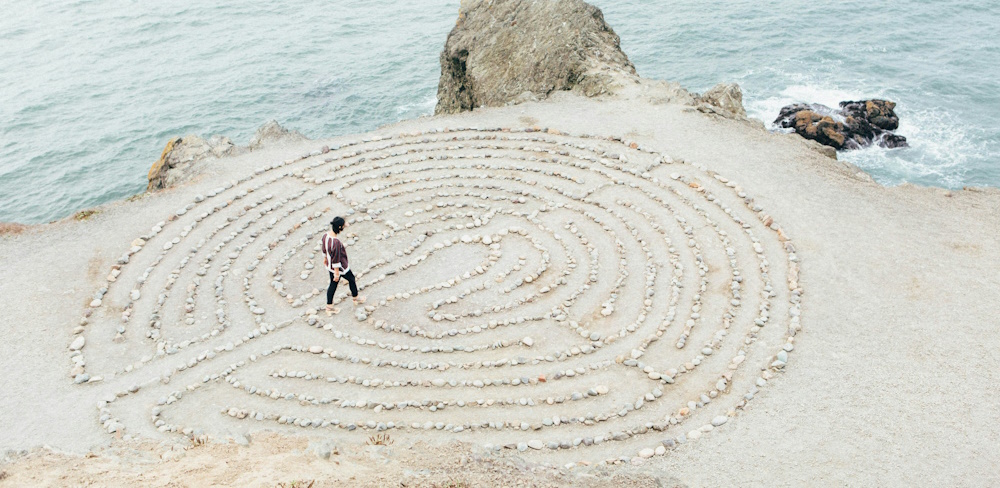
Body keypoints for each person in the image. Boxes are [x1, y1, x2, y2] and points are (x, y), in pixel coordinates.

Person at [322, 216, 364, 314]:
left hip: (330, 265)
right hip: (340, 267)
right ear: (340, 227)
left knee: (333, 285)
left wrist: (325, 258)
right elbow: (336, 258)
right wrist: (337, 273)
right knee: (351, 279)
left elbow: (324, 248)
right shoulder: (335, 242)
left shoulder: (325, 235)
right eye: (343, 226)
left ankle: (329, 306)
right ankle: (355, 298)